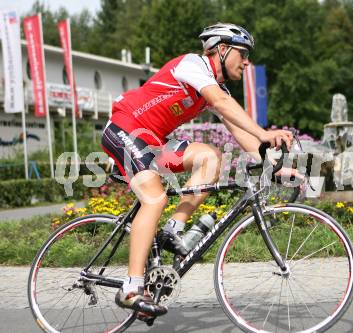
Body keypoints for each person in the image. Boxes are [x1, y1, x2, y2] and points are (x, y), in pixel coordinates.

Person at [101, 23, 294, 317]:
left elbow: (239, 132)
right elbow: (221, 102)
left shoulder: (214, 88)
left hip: (153, 142)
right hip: (125, 128)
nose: (246, 62)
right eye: (242, 54)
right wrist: (266, 133)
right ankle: (130, 288)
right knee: (155, 198)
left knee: (211, 158)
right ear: (221, 49)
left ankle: (171, 231)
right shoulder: (193, 65)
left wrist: (273, 165)